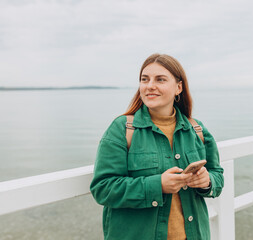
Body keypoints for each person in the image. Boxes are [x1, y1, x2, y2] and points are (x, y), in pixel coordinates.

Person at [90, 53, 224, 240]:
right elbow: (103, 188)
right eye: (145, 79)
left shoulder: (197, 130)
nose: (150, 85)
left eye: (160, 79)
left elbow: (217, 175)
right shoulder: (122, 128)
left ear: (179, 87)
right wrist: (158, 185)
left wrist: (207, 181)